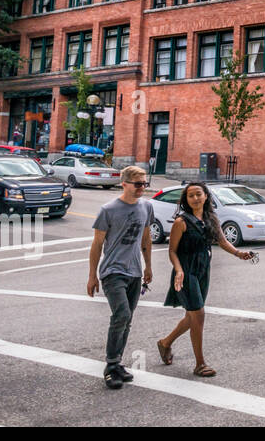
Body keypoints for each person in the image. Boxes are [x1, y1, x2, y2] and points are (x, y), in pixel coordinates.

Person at [156, 182, 253, 378]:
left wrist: (239, 253)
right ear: (186, 200)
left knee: (192, 317)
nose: (195, 199)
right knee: (198, 315)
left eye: (198, 194)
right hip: (186, 272)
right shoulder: (181, 222)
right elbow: (172, 251)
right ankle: (200, 364)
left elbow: (222, 241)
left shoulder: (211, 218)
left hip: (203, 271)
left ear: (206, 196)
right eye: (191, 196)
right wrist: (178, 270)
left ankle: (165, 343)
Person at [87, 165, 153, 390]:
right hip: (112, 271)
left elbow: (146, 239)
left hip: (135, 271)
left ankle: (117, 364)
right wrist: (92, 276)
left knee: (127, 319)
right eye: (138, 184)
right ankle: (110, 365)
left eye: (144, 183)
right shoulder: (108, 209)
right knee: (121, 314)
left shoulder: (146, 206)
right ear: (124, 183)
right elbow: (97, 244)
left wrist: (148, 267)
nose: (142, 188)